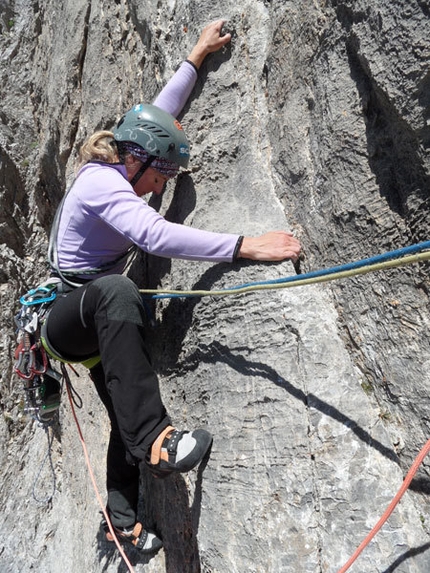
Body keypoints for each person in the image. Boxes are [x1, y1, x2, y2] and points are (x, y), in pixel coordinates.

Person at [42, 20, 302, 553]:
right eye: (160, 178)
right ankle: (161, 441)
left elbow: (157, 116)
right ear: (137, 164)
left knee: (122, 411)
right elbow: (154, 234)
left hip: (88, 318)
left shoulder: (127, 157)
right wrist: (245, 245)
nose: (160, 188)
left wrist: (195, 57)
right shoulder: (101, 183)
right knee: (119, 291)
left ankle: (122, 525)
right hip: (69, 319)